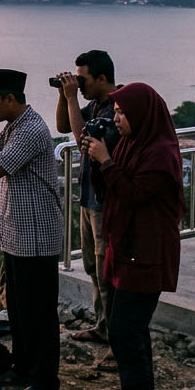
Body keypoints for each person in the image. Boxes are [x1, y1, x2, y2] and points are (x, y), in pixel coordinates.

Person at [81, 82, 183, 390]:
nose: (117, 118)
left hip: (148, 252)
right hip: (127, 249)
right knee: (131, 333)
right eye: (117, 112)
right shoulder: (130, 143)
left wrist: (106, 160)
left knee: (125, 331)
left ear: (142, 114)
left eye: (122, 113)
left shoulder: (161, 153)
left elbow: (135, 193)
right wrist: (97, 162)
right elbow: (109, 191)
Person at [0, 69, 63, 390]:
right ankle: (23, 368)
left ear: (10, 99)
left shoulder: (32, 129)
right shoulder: (15, 126)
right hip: (18, 233)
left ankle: (47, 383)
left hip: (36, 236)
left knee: (39, 313)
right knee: (19, 310)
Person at [53, 50, 119, 351]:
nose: (79, 85)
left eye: (83, 79)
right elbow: (64, 127)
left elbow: (82, 141)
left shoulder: (116, 109)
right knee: (93, 267)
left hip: (105, 202)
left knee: (107, 272)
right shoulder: (94, 105)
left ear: (102, 79)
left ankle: (117, 338)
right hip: (88, 197)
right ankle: (103, 326)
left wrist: (71, 98)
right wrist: (63, 96)